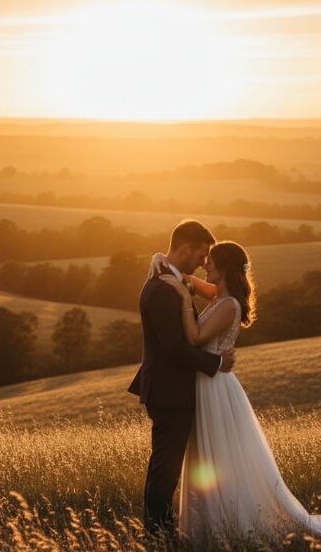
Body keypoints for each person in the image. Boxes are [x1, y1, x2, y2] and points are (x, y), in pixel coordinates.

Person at [148, 240, 321, 545]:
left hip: (214, 388)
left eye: (211, 261)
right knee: (209, 457)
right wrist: (172, 271)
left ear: (223, 267)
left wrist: (183, 295)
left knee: (221, 456)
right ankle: (211, 523)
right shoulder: (222, 296)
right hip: (208, 384)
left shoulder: (228, 305)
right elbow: (202, 287)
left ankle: (233, 522)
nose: (205, 265)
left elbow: (196, 335)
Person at [127, 220, 237, 538]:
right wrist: (215, 362)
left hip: (172, 389)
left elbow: (222, 290)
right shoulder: (162, 288)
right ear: (185, 249)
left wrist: (165, 262)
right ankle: (158, 533)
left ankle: (160, 530)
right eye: (201, 256)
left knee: (167, 464)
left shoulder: (173, 281)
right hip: (169, 390)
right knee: (166, 467)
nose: (204, 263)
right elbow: (174, 348)